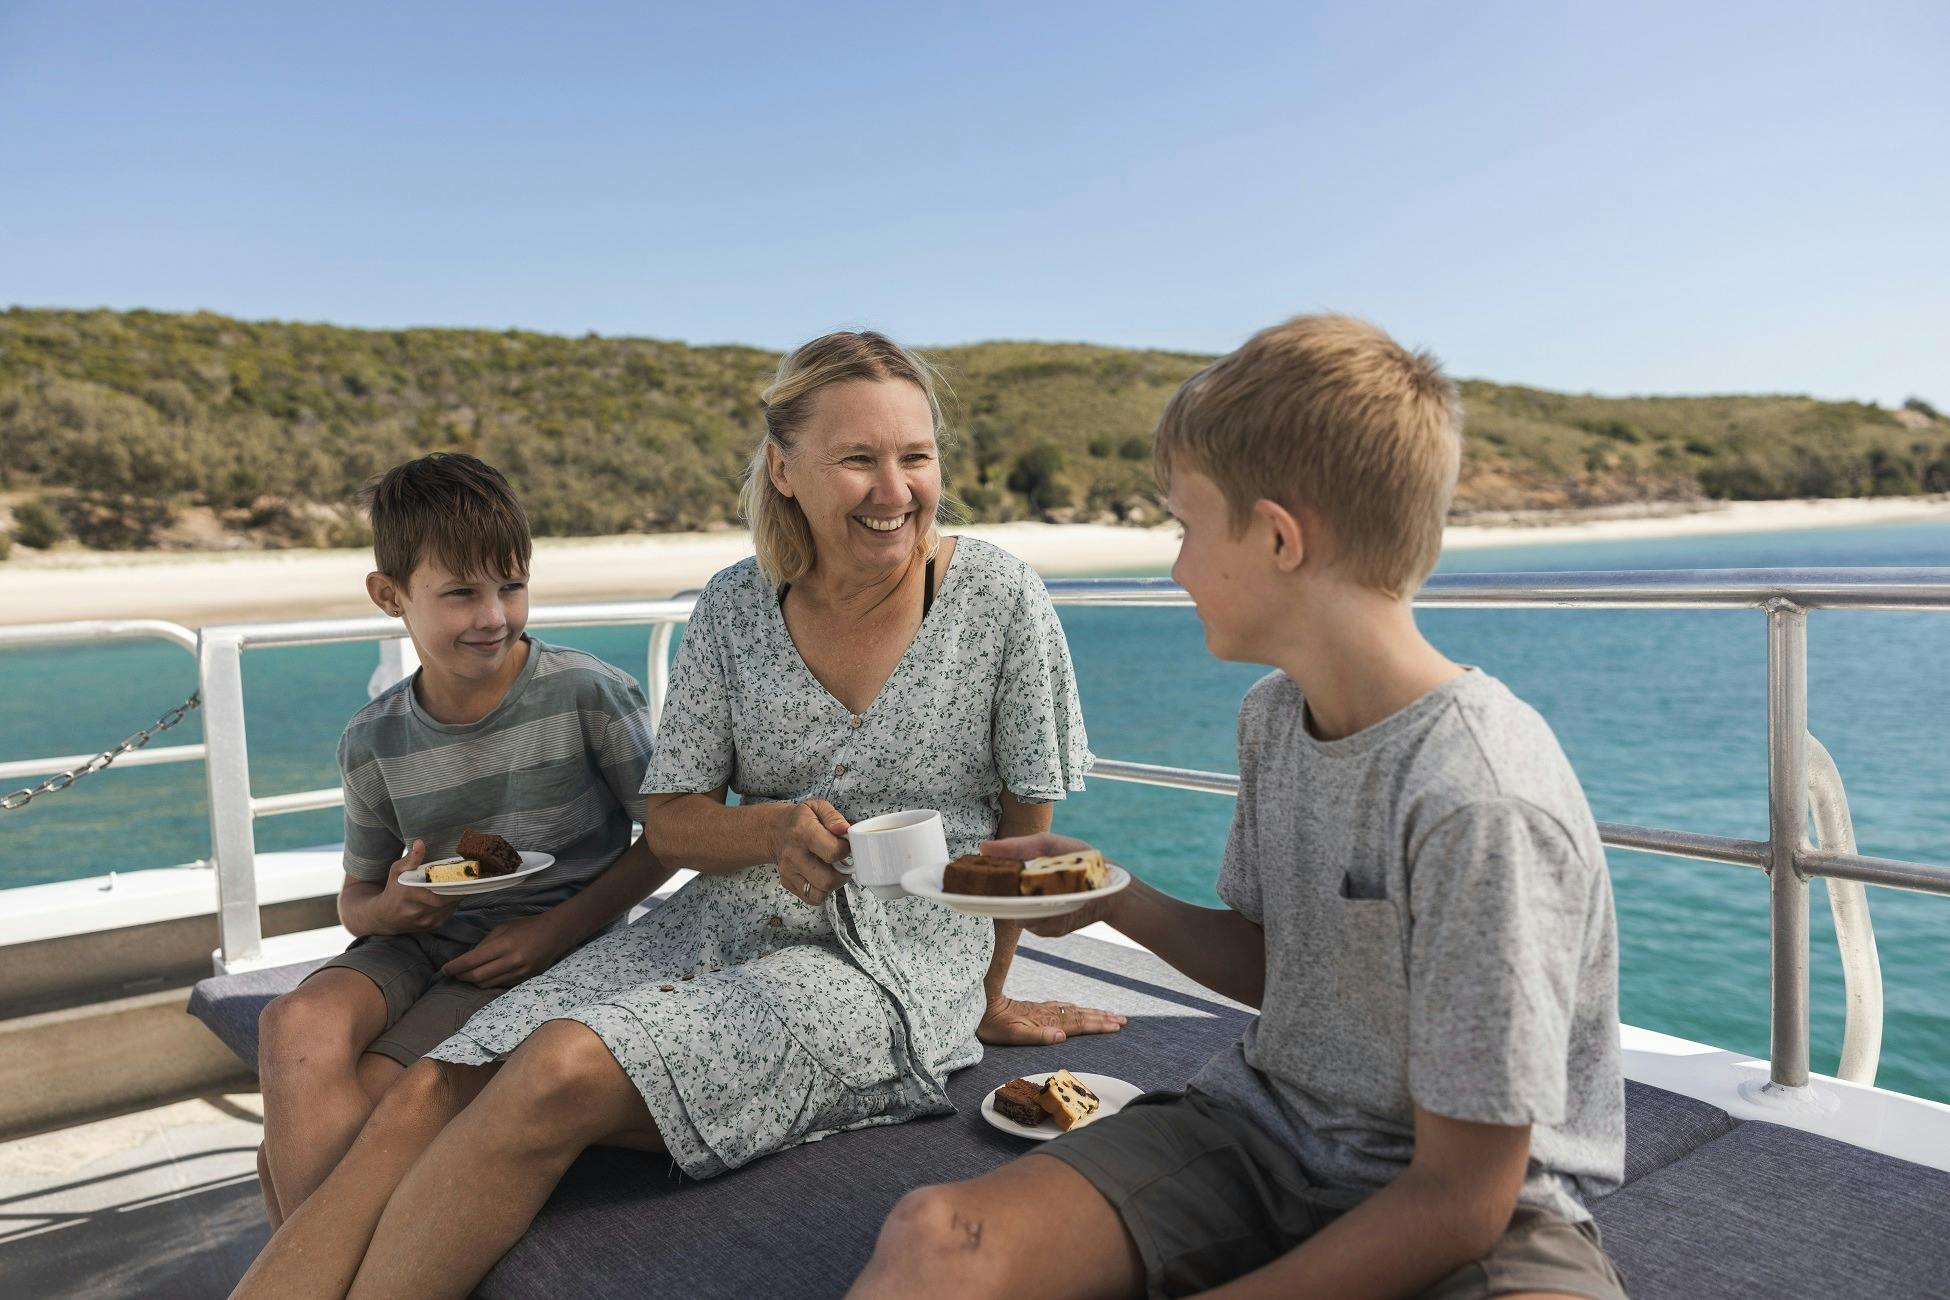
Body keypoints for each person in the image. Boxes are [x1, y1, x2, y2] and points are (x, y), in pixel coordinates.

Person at [231, 330, 1118, 1300]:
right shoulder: (734, 606)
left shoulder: (998, 596)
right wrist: (770, 829)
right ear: (783, 469)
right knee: (425, 1090)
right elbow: (672, 824)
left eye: (916, 455)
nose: (895, 489)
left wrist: (987, 991)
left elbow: (1023, 824)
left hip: (893, 970)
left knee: (555, 1065)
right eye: (859, 459)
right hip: (714, 923)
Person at [852, 315, 1628, 1300]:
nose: (1177, 567)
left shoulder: (1478, 798)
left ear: (1277, 537)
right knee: (935, 1239)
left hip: (1487, 1214)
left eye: (1186, 528)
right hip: (1261, 1137)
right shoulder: (1274, 717)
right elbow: (1284, 967)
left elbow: (1463, 1199)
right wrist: (1113, 895)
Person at [252, 452, 669, 1226]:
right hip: (415, 943)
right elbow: (356, 901)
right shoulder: (372, 740)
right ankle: (323, 1269)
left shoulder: (587, 693)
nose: (494, 616)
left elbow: (671, 836)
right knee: (289, 1024)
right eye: (461, 594)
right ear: (390, 596)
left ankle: (312, 1266)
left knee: (341, 1117)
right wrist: (389, 910)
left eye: (511, 586)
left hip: (545, 943)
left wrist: (555, 930)